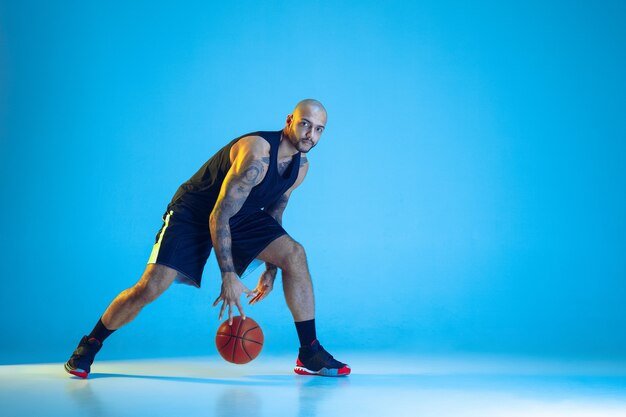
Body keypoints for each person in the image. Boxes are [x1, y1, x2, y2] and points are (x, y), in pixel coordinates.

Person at [65, 99, 351, 378]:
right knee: (150, 287)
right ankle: (90, 344)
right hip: (194, 211)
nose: (310, 134)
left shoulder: (301, 168)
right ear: (289, 120)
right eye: (305, 124)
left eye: (318, 129)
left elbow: (275, 212)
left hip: (242, 213)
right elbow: (218, 216)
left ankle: (309, 352)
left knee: (295, 254)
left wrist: (271, 267)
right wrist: (228, 275)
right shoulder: (257, 154)